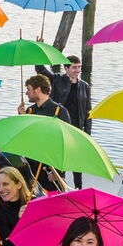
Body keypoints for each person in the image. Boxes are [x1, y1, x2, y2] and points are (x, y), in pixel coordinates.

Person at [36, 56, 92, 185]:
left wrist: (87, 133)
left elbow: (88, 112)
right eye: (74, 67)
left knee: (77, 162)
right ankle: (60, 187)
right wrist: (40, 54)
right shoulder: (57, 79)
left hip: (77, 128)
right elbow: (41, 70)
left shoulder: (84, 86)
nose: (77, 70)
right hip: (59, 126)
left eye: (79, 67)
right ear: (66, 68)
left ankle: (79, 188)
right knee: (60, 161)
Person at [17, 74, 68, 192]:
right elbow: (24, 139)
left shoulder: (59, 111)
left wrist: (59, 172)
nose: (26, 93)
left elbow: (65, 143)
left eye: (29, 89)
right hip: (31, 168)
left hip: (50, 169)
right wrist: (21, 118)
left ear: (38, 89)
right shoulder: (29, 111)